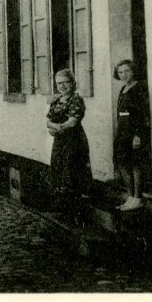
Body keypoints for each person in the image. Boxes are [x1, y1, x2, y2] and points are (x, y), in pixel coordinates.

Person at [46, 69, 92, 217]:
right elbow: (48, 121)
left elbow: (73, 121)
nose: (62, 86)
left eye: (65, 82)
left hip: (74, 140)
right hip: (60, 141)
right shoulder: (56, 100)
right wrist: (53, 127)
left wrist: (58, 127)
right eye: (59, 83)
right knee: (59, 168)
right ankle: (63, 208)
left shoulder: (76, 99)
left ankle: (76, 210)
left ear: (72, 83)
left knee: (72, 169)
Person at [113, 59, 151, 211]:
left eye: (126, 71)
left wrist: (137, 135)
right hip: (123, 130)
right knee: (122, 162)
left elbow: (142, 114)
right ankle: (130, 196)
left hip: (134, 130)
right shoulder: (123, 89)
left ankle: (138, 197)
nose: (123, 75)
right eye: (120, 72)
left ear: (133, 71)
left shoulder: (139, 88)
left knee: (135, 163)